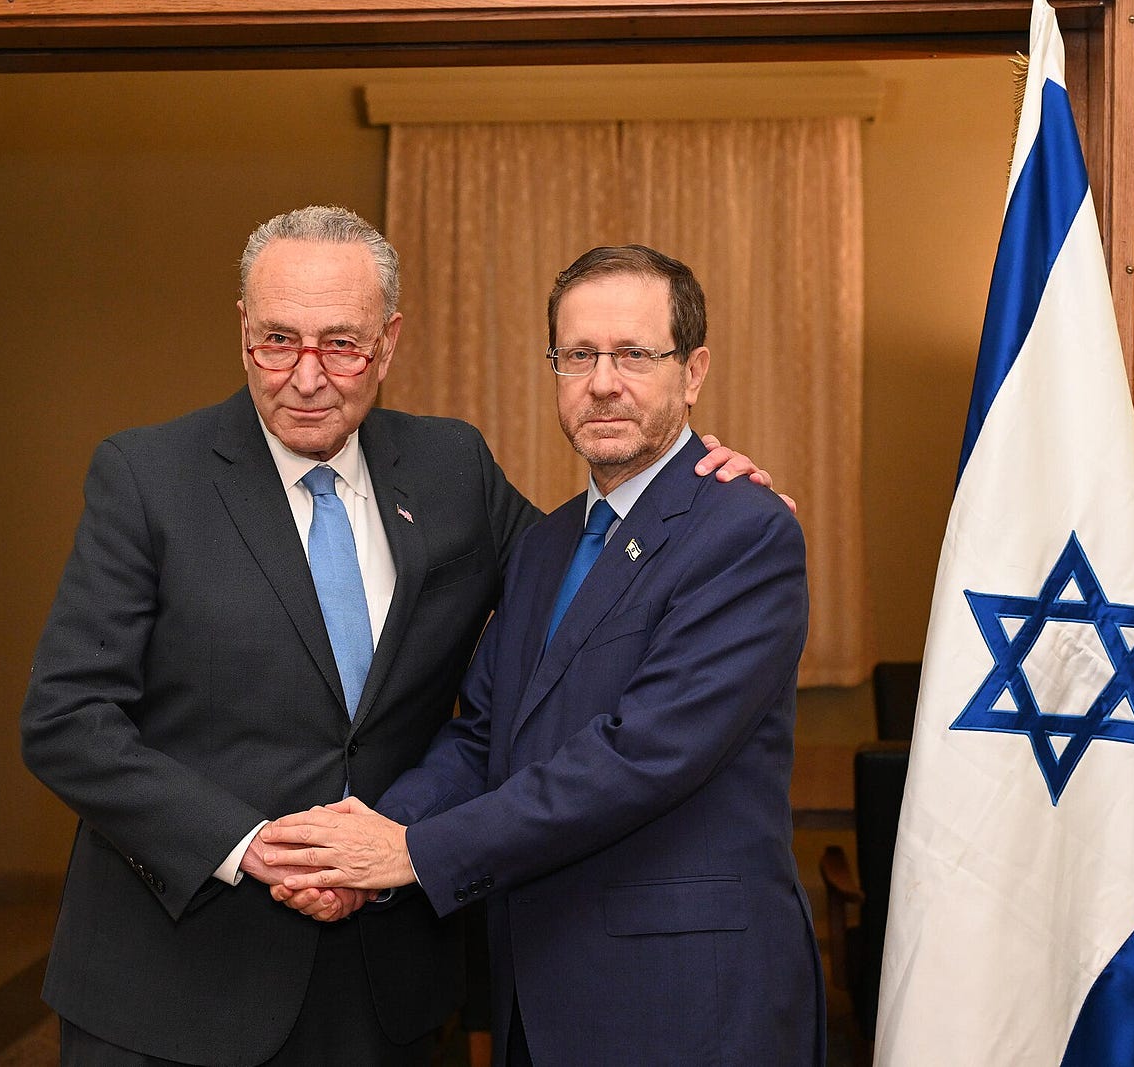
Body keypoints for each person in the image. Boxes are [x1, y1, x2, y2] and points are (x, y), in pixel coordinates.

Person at [20, 207, 774, 1066]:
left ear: (388, 341)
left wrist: (709, 495)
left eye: (340, 343)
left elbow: (598, 578)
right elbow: (66, 719)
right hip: (171, 987)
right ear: (242, 332)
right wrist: (248, 845)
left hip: (385, 994)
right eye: (278, 339)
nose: (307, 376)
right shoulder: (147, 477)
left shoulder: (451, 468)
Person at [263, 244, 824, 1066]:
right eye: (578, 355)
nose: (603, 381)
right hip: (542, 993)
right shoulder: (544, 545)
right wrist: (380, 830)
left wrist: (411, 854)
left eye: (635, 354)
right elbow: (483, 733)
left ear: (693, 371)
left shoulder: (745, 531)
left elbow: (638, 756)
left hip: (690, 1002)